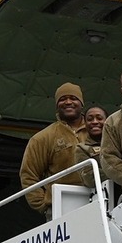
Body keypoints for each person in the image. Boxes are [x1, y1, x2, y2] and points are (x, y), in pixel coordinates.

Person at [19, 82, 89, 218]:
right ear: (57, 105)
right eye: (63, 99)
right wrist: (44, 205)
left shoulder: (100, 129)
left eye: (73, 98)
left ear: (82, 103)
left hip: (99, 200)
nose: (68, 102)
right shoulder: (42, 138)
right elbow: (28, 175)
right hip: (61, 206)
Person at [77, 105, 107, 188]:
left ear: (107, 121)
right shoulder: (82, 149)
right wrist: (120, 175)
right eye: (89, 119)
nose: (94, 122)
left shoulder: (118, 142)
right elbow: (89, 178)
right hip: (106, 195)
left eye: (99, 118)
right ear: (85, 124)